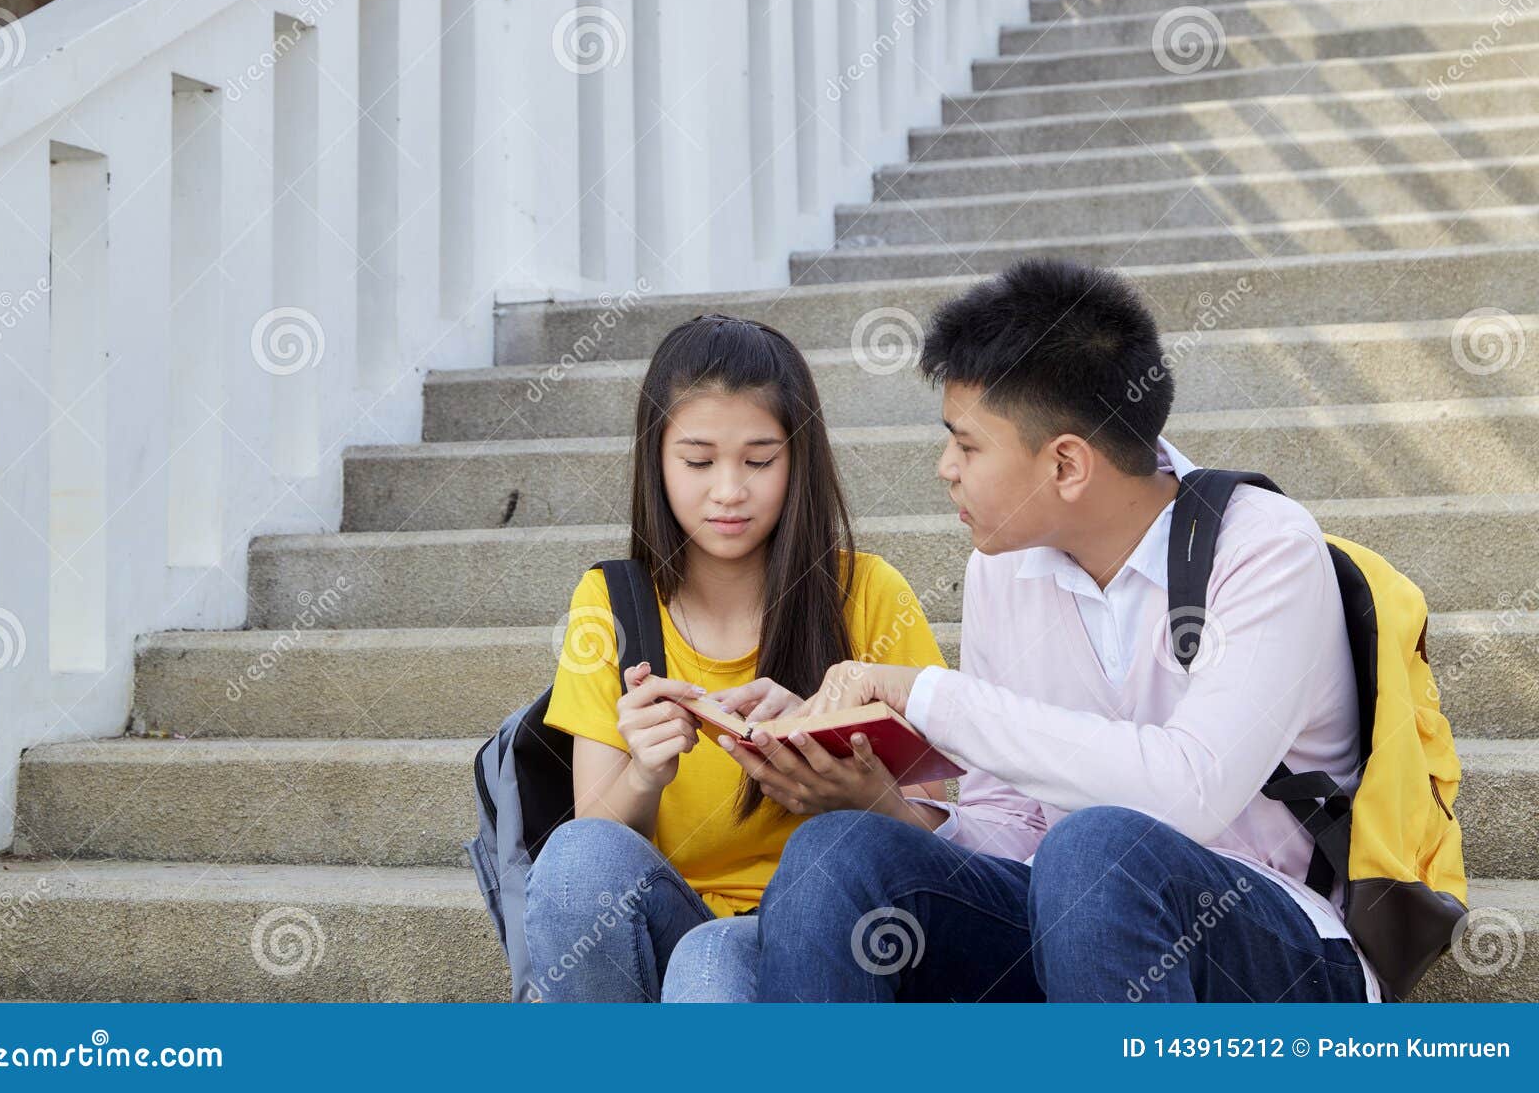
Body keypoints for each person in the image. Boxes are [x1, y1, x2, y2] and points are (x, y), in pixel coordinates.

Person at [735, 257, 1381, 1003]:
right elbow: (1010, 824)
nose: (945, 467)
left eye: (968, 445)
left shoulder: (1263, 547)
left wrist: (927, 695)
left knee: (1096, 849)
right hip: (1072, 924)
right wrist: (881, 799)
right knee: (834, 856)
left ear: (1067, 464)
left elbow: (1190, 791)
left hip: (1271, 944)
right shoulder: (1003, 567)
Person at [524, 312, 949, 1002]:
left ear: (797, 458)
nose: (728, 491)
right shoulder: (612, 602)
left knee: (712, 964)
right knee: (581, 865)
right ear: (656, 460)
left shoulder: (869, 594)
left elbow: (942, 849)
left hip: (823, 935)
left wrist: (854, 791)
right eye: (697, 461)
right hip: (665, 923)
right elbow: (592, 859)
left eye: (758, 461)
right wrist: (645, 772)